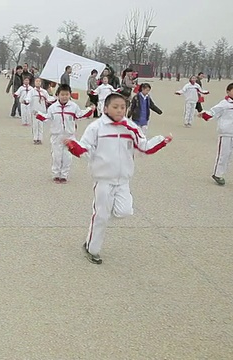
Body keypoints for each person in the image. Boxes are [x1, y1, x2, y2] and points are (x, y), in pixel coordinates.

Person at [64, 93, 172, 264]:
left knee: (125, 210)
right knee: (101, 216)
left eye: (123, 107)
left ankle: (103, 218)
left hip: (123, 180)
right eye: (115, 107)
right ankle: (92, 248)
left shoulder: (130, 127)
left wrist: (161, 141)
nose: (120, 110)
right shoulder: (96, 127)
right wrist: (73, 147)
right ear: (105, 108)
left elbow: (144, 147)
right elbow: (85, 149)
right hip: (103, 180)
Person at [35, 84, 94, 183]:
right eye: (62, 94)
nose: (64, 97)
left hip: (69, 135)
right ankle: (56, 174)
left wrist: (90, 110)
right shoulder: (53, 108)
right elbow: (47, 118)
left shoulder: (73, 106)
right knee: (56, 156)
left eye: (67, 94)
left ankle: (64, 175)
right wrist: (38, 115)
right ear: (58, 95)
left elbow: (80, 115)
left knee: (67, 157)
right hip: (56, 136)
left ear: (70, 95)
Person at [200, 82, 233, 186]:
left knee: (230, 155)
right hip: (225, 133)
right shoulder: (224, 104)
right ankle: (217, 174)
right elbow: (213, 112)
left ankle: (222, 172)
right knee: (223, 154)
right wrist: (204, 114)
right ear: (228, 92)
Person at [24, 78, 54, 145]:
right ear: (34, 82)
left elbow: (49, 98)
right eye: (36, 81)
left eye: (39, 81)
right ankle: (35, 138)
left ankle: (40, 138)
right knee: (35, 125)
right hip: (35, 110)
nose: (38, 83)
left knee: (41, 125)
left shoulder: (44, 92)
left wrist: (56, 99)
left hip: (42, 111)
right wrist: (26, 101)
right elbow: (28, 98)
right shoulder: (31, 91)